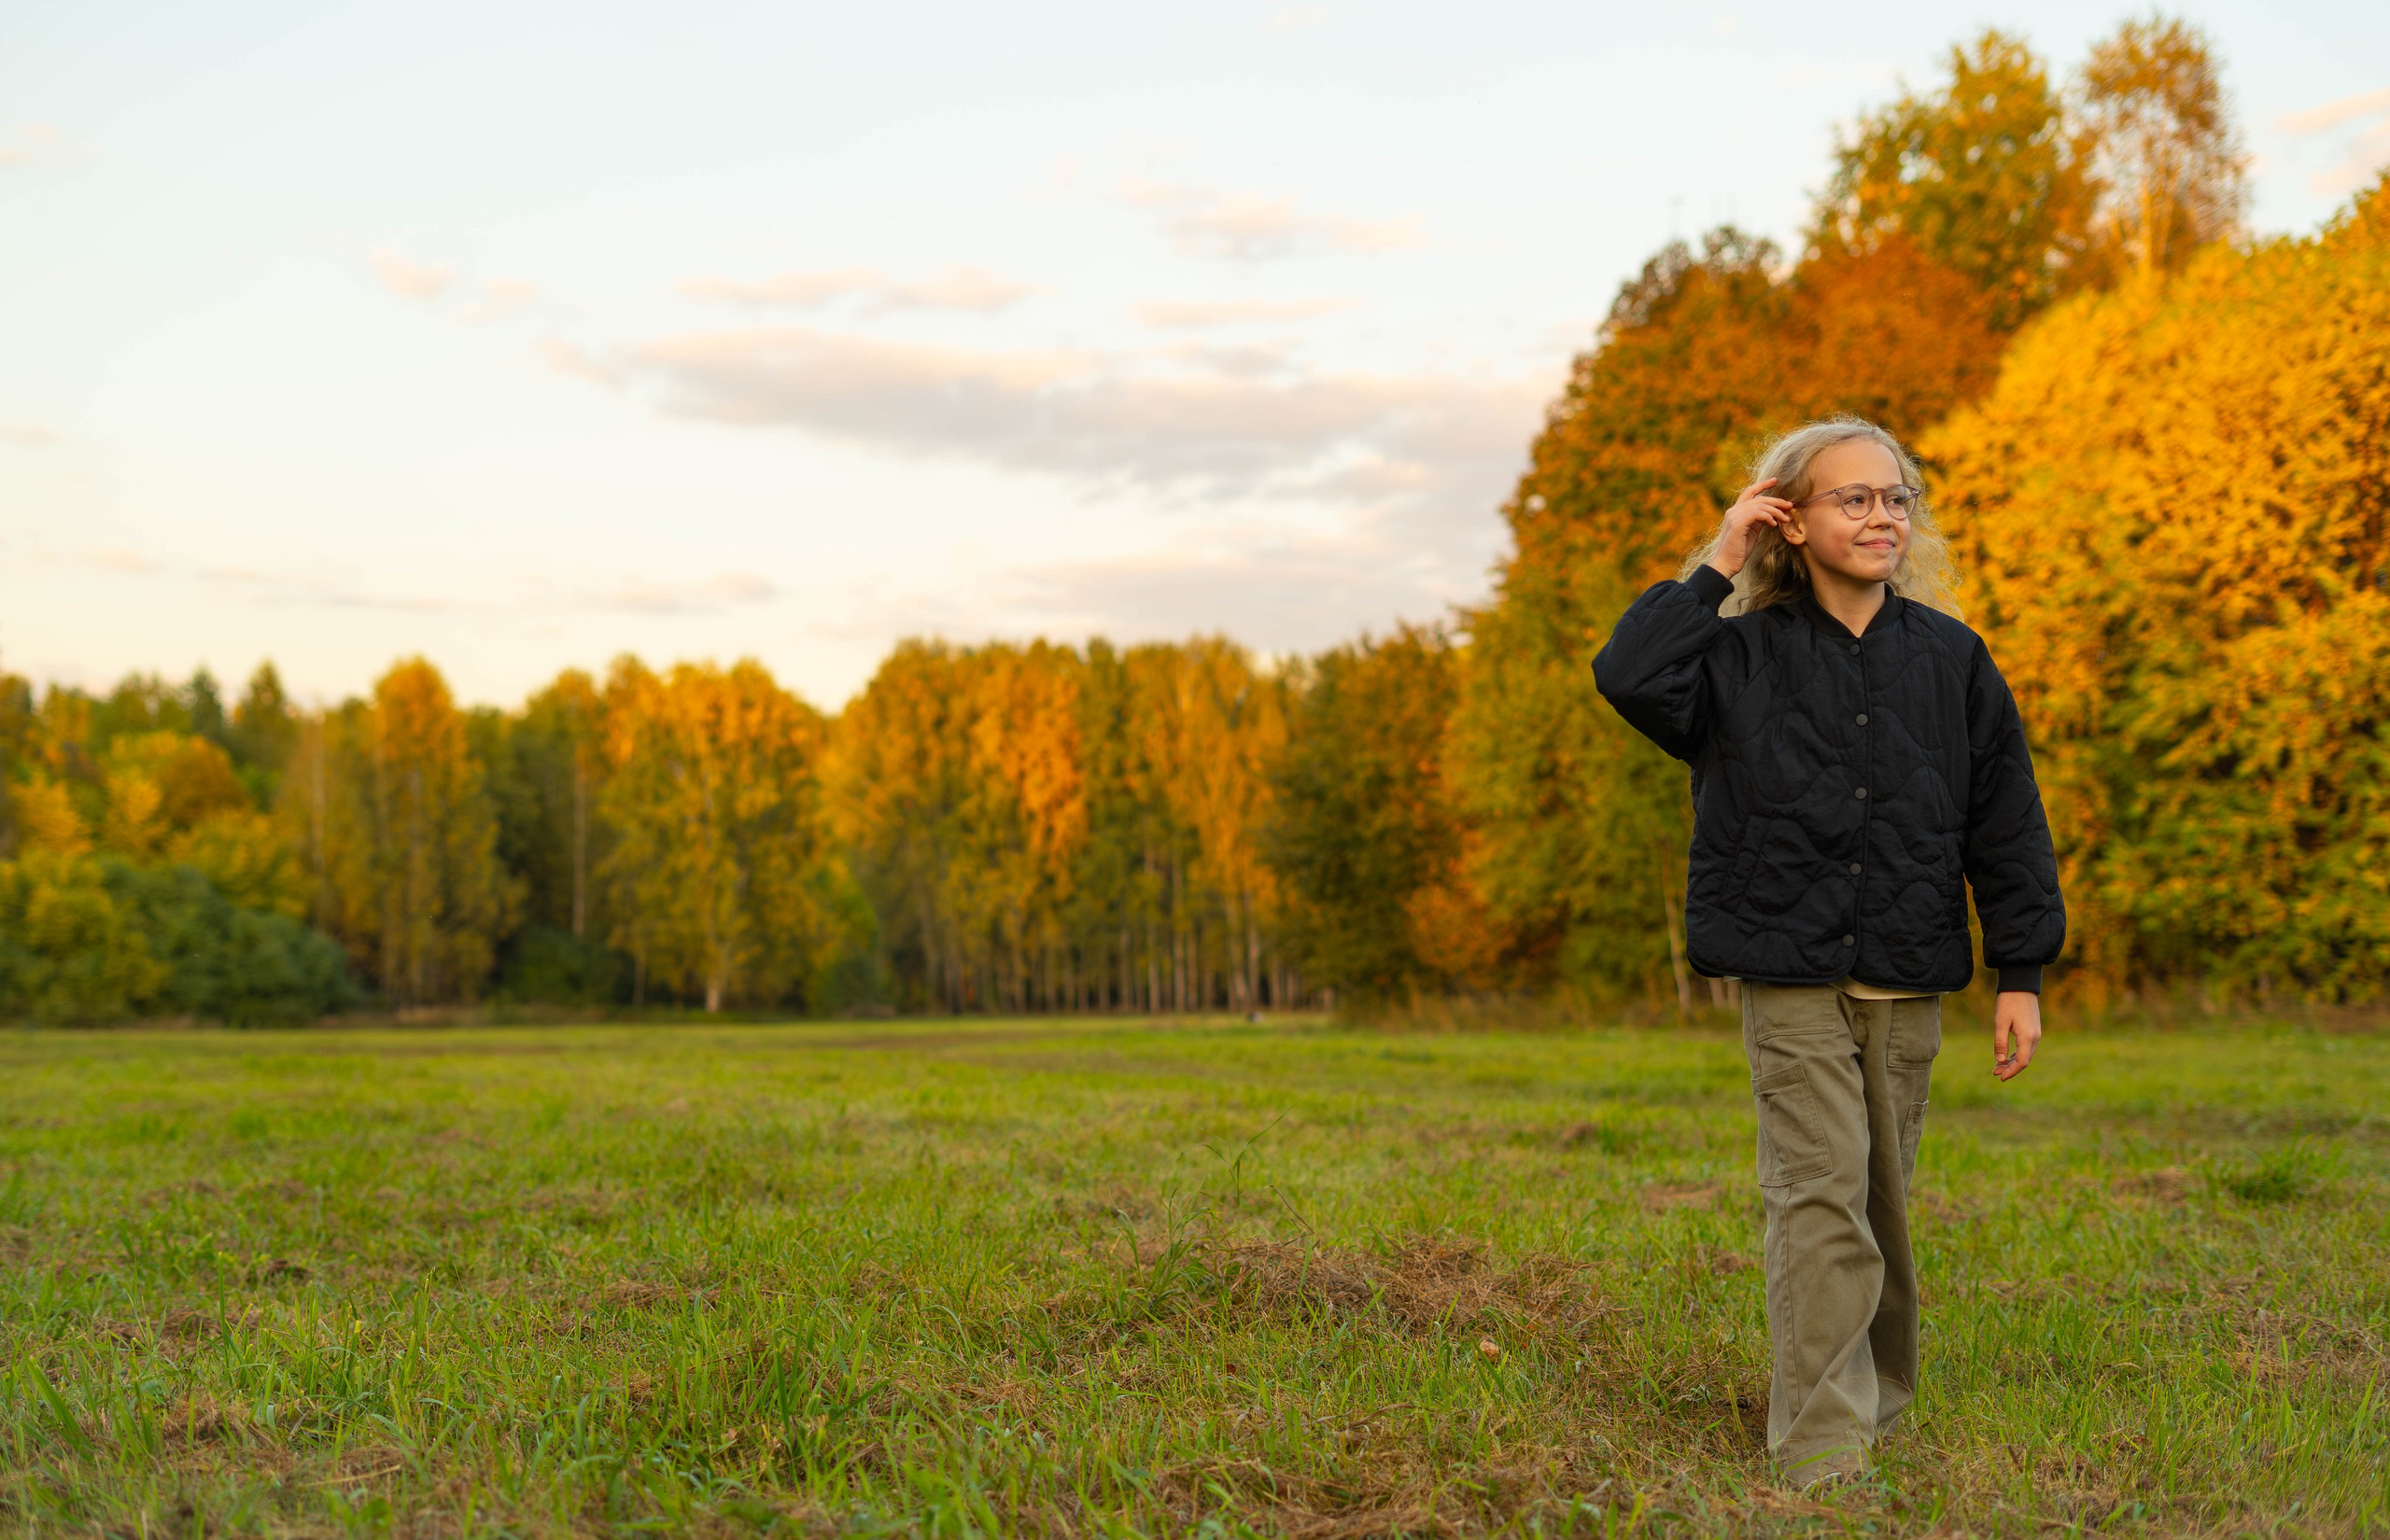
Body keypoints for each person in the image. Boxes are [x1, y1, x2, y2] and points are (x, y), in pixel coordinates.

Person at [1591, 416, 2064, 1486]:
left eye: (1894, 498)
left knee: (1880, 1203)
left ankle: (1874, 1404)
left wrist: (2021, 972)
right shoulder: (1733, 653)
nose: (1881, 515)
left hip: (1908, 966)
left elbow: (2005, 820)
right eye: (1851, 498)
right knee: (1817, 1195)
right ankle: (1819, 1448)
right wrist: (1717, 560)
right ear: (1790, 520)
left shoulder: (1952, 659)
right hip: (1786, 968)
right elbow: (1626, 675)